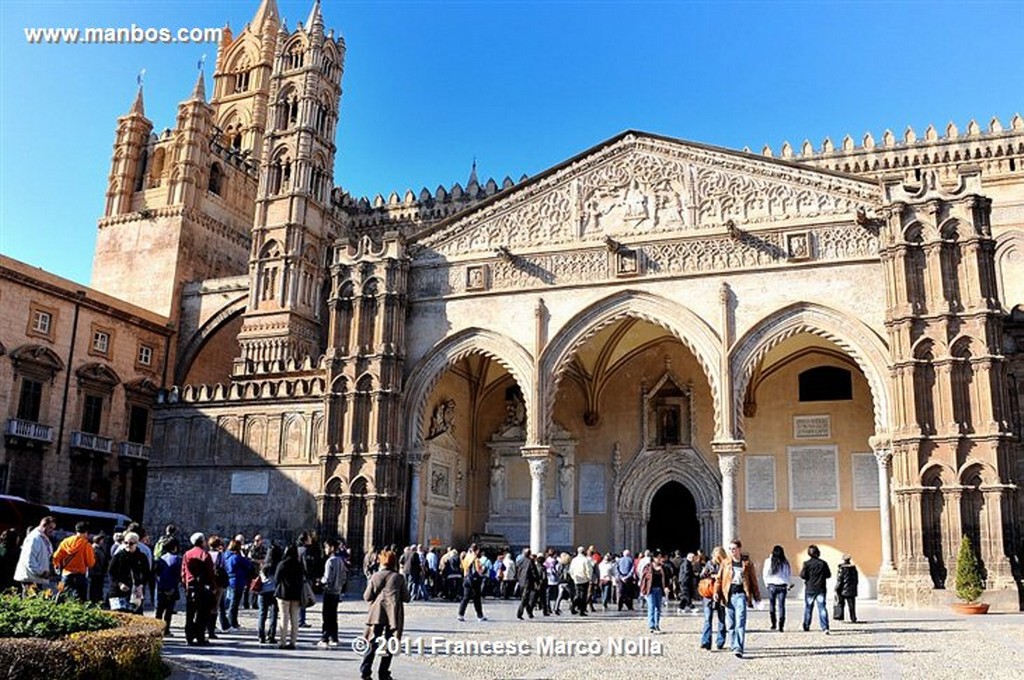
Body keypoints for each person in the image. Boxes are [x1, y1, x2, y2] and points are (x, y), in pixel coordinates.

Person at [360, 549, 410, 680]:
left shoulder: (375, 576)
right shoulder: (399, 578)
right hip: (392, 615)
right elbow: (406, 597)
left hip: (376, 614)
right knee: (389, 643)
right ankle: (383, 672)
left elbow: (367, 596)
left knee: (372, 641)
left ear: (381, 562)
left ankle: (365, 671)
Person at [716, 539, 760, 659]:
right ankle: (733, 643)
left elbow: (753, 580)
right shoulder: (725, 563)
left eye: (734, 549)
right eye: (730, 549)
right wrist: (716, 592)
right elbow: (719, 579)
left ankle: (738, 647)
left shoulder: (747, 564)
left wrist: (756, 596)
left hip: (741, 594)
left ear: (739, 549)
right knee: (730, 623)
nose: (732, 551)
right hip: (728, 596)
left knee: (740, 621)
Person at [182, 532, 215, 646]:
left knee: (190, 613)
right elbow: (210, 573)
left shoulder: (187, 554)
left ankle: (189, 636)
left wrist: (185, 584)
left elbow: (183, 572)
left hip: (190, 587)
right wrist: (212, 586)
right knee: (202, 613)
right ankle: (200, 636)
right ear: (201, 541)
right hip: (202, 587)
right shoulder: (204, 555)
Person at [52, 521, 95, 602]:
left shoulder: (65, 541)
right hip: (80, 575)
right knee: (81, 599)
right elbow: (90, 563)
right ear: (86, 532)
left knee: (60, 593)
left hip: (65, 573)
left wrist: (57, 565)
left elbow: (56, 556)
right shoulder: (86, 545)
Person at [108, 531, 148, 614]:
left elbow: (147, 573)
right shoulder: (118, 556)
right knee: (119, 616)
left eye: (131, 543)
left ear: (136, 543)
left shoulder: (142, 557)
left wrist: (141, 585)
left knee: (135, 616)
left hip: (135, 591)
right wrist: (119, 584)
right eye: (125, 542)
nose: (127, 545)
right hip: (118, 591)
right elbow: (111, 572)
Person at [14, 515, 55, 593]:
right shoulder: (34, 538)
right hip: (30, 578)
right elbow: (29, 559)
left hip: (36, 578)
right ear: (44, 526)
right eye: (50, 528)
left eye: (53, 528)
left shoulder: (43, 538)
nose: (52, 531)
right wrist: (41, 572)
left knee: (35, 601)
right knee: (30, 602)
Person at [274, 544, 305, 649]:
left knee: (284, 617)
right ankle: (293, 641)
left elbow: (276, 579)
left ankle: (282, 641)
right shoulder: (299, 564)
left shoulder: (282, 564)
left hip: (284, 593)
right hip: (296, 594)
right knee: (295, 619)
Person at [318, 538, 347, 647]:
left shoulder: (330, 561)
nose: (325, 550)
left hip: (329, 591)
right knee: (333, 615)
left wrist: (321, 582)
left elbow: (327, 578)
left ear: (331, 548)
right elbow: (344, 577)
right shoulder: (340, 560)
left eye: (326, 547)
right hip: (337, 591)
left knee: (326, 616)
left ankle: (325, 638)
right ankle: (334, 637)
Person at [699, 546, 726, 651]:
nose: (717, 558)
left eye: (719, 556)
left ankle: (720, 641)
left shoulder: (726, 564)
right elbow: (702, 575)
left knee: (721, 619)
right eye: (716, 556)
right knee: (707, 619)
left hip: (721, 594)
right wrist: (710, 574)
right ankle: (706, 642)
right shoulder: (709, 564)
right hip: (709, 594)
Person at [799, 544, 831, 634]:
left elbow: (802, 575)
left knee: (808, 608)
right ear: (818, 552)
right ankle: (825, 627)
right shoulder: (823, 563)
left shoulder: (806, 563)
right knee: (822, 608)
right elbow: (828, 575)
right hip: (821, 588)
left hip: (810, 588)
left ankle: (806, 625)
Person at [154, 538, 182, 636]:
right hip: (172, 588)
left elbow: (157, 574)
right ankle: (166, 630)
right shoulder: (177, 559)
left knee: (159, 610)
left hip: (161, 588)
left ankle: (157, 629)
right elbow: (178, 576)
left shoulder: (160, 559)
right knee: (169, 611)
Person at [223, 539, 251, 630]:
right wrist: (243, 554)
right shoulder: (236, 557)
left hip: (230, 580)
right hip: (237, 581)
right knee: (234, 603)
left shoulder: (226, 556)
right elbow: (248, 564)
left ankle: (233, 621)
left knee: (232, 601)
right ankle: (232, 622)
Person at [762, 545, 791, 631]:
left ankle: (773, 624)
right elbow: (788, 574)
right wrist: (788, 584)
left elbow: (765, 573)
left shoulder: (768, 561)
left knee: (772, 605)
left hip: (772, 585)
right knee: (781, 606)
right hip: (782, 585)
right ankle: (781, 625)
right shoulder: (785, 562)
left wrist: (766, 584)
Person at [257, 544, 281, 645]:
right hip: (274, 591)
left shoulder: (264, 566)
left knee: (262, 614)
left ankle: (261, 635)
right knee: (273, 614)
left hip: (263, 592)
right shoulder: (278, 566)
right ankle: (271, 635)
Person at [457, 544, 487, 622]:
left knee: (465, 598)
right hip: (475, 581)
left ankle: (460, 614)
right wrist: (483, 569)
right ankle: (480, 616)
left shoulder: (467, 557)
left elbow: (462, 566)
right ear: (476, 550)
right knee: (477, 599)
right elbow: (479, 570)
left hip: (466, 579)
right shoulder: (475, 559)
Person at [639, 551, 667, 633]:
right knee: (651, 606)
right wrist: (643, 590)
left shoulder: (663, 568)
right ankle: (651, 626)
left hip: (659, 589)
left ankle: (657, 625)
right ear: (653, 558)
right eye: (658, 557)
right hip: (650, 590)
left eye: (660, 557)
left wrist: (666, 587)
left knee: (658, 608)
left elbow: (666, 578)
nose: (659, 558)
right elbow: (643, 579)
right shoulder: (647, 567)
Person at [515, 549, 541, 619]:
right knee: (526, 599)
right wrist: (537, 581)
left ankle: (529, 613)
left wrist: (518, 578)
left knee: (525, 598)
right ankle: (519, 613)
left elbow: (516, 570)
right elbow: (534, 572)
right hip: (528, 582)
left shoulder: (519, 561)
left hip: (521, 582)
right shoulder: (530, 561)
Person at [834, 554, 859, 623]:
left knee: (840, 604)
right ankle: (853, 618)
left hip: (842, 589)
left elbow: (839, 579)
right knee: (852, 605)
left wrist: (836, 588)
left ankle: (840, 617)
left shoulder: (842, 568)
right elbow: (856, 579)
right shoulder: (853, 568)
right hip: (851, 589)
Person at [568, 546, 592, 617]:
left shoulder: (574, 560)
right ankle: (581, 610)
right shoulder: (585, 560)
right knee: (583, 596)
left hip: (576, 579)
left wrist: (573, 577)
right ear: (583, 552)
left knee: (578, 594)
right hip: (584, 579)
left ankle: (574, 604)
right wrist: (589, 577)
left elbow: (571, 570)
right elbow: (588, 569)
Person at [88, 533, 109, 605]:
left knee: (99, 585)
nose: (103, 541)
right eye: (102, 540)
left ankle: (98, 598)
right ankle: (93, 599)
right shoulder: (94, 548)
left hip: (100, 571)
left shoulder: (101, 548)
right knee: (94, 585)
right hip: (95, 571)